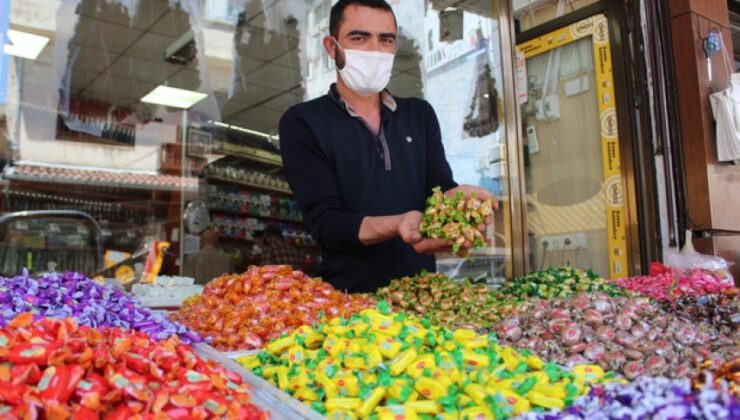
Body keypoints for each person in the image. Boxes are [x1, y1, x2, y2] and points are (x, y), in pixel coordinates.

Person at [279, 0, 497, 293]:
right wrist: (400, 223)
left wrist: (460, 205)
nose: (375, 50)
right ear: (332, 47)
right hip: (350, 303)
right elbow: (326, 224)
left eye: (386, 39)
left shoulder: (419, 115)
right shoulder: (302, 122)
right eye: (359, 38)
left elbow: (439, 189)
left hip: (422, 296)